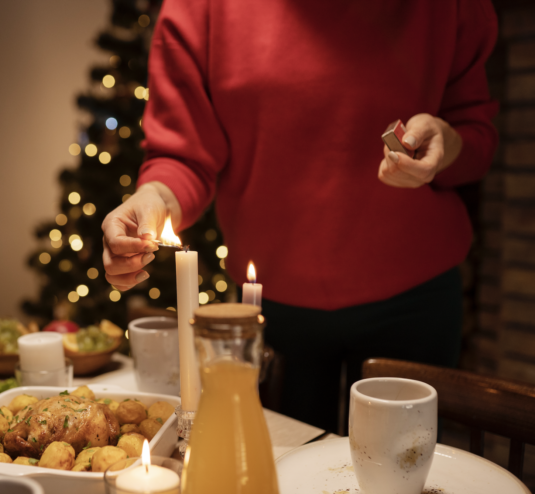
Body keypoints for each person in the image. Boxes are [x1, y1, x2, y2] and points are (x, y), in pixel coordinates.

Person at [101, 0, 498, 432]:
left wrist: (447, 143)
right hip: (273, 310)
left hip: (415, 302)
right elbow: (183, 155)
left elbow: (476, 139)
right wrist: (155, 197)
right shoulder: (201, 8)